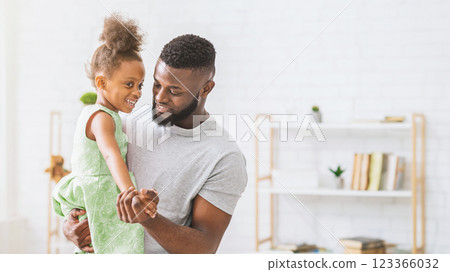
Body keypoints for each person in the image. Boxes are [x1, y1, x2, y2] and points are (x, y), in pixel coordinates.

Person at [63, 34, 247, 254]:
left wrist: (148, 219)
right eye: (156, 84)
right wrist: (70, 225)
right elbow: (90, 177)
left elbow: (204, 247)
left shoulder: (223, 156)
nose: (160, 97)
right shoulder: (126, 121)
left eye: (174, 91)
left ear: (206, 89)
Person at [52, 14, 157, 254]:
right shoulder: (101, 118)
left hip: (97, 185)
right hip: (100, 187)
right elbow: (111, 156)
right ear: (101, 82)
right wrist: (129, 193)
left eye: (140, 85)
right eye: (128, 84)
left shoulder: (101, 114)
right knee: (114, 246)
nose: (138, 92)